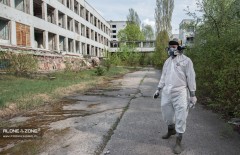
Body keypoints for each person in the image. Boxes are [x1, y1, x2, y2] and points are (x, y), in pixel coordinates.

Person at [153, 39, 197, 154]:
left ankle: (178, 141)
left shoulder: (186, 61)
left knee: (181, 116)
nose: (172, 48)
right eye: (170, 46)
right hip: (167, 92)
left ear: (179, 47)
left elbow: (191, 77)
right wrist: (158, 89)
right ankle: (171, 130)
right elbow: (163, 76)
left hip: (180, 92)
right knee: (166, 113)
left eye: (174, 46)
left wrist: (192, 95)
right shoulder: (167, 62)